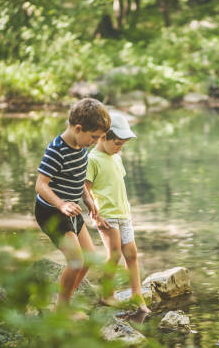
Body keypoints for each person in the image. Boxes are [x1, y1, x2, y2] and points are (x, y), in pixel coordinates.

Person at [34, 98, 110, 313]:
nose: (95, 142)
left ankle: (67, 296)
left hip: (70, 209)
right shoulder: (56, 150)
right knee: (75, 260)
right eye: (93, 137)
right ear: (78, 128)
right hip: (51, 211)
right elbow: (40, 185)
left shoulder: (80, 146)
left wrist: (87, 198)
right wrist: (61, 205)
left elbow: (77, 179)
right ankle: (62, 308)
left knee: (89, 257)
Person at [85, 113, 151, 313]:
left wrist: (128, 211)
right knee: (114, 255)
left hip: (123, 215)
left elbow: (118, 185)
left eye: (123, 144)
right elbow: (85, 189)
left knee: (131, 254)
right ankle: (108, 295)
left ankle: (137, 295)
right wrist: (95, 215)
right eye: (118, 143)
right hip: (107, 216)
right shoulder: (92, 159)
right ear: (103, 137)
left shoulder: (117, 158)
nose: (120, 148)